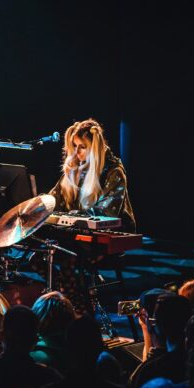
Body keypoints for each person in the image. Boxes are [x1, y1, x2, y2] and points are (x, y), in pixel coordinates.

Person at [38, 118, 136, 315]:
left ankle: (76, 309)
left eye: (81, 147)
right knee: (38, 256)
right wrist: (37, 205)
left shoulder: (113, 171)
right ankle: (74, 301)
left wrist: (72, 216)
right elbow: (53, 199)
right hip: (76, 237)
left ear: (95, 147)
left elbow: (106, 214)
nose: (75, 153)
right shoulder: (75, 168)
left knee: (68, 258)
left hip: (109, 237)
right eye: (73, 147)